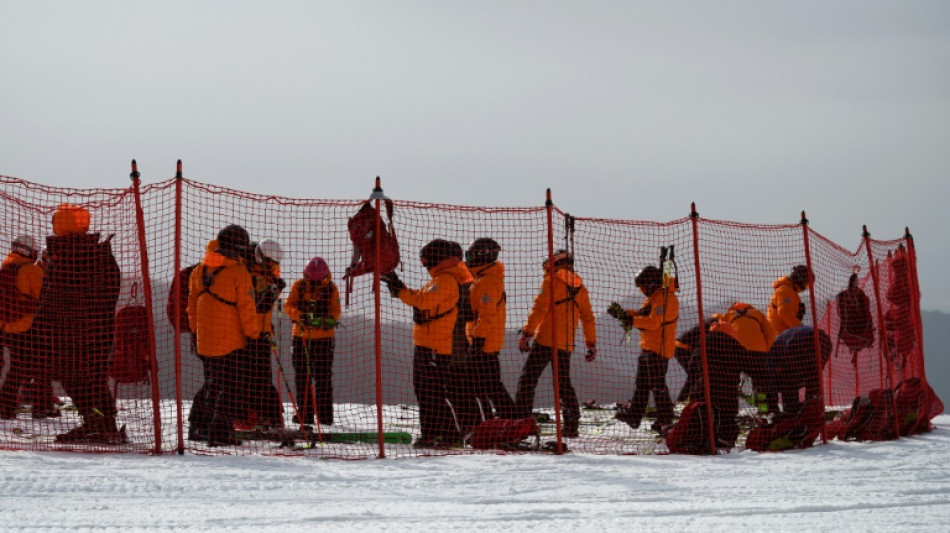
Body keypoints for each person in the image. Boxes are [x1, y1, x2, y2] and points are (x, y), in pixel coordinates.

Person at [33, 204, 123, 443]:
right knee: (94, 377)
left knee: (73, 377)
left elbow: (51, 297)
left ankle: (95, 423)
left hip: (68, 332)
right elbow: (111, 288)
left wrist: (42, 323)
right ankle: (105, 423)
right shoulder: (99, 253)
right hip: (99, 330)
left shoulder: (64, 258)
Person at [381, 239, 474, 448]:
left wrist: (399, 287)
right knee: (424, 392)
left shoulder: (446, 280)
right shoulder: (440, 279)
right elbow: (423, 300)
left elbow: (423, 301)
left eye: (426, 261)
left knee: (433, 393)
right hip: (427, 343)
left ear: (438, 259)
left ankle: (450, 436)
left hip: (435, 346)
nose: (424, 265)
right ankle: (431, 433)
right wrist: (399, 288)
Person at [187, 224, 262, 446]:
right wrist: (254, 334)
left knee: (213, 385)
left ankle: (205, 427)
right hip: (230, 341)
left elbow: (191, 306)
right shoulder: (239, 272)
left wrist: (195, 333)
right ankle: (219, 433)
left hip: (204, 341)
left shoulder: (199, 270)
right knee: (230, 387)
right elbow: (247, 309)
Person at [514, 250, 596, 438]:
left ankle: (521, 421)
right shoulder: (581, 288)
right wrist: (591, 343)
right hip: (566, 344)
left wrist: (527, 333)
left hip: (545, 340)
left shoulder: (551, 282)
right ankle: (571, 425)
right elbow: (588, 318)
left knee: (527, 380)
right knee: (563, 384)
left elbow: (539, 309)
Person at [611, 265, 679, 435]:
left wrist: (630, 320)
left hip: (659, 348)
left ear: (650, 283)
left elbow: (652, 322)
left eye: (642, 286)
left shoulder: (665, 299)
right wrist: (623, 313)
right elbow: (643, 314)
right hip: (648, 346)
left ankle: (666, 420)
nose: (641, 290)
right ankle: (635, 416)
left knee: (658, 386)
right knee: (641, 385)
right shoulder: (655, 298)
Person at [284, 256, 341, 428]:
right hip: (301, 338)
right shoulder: (298, 286)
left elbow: (335, 311)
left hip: (323, 340)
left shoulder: (331, 289)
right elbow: (288, 306)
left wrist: (325, 320)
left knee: (323, 378)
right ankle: (305, 414)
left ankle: (325, 416)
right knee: (302, 377)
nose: (315, 284)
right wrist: (300, 316)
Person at [0, 235, 52, 419]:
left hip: (7, 327)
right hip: (27, 327)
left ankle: (9, 406)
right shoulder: (30, 270)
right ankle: (36, 406)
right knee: (35, 367)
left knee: (18, 367)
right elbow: (44, 298)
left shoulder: (6, 267)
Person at [463, 238, 514, 420]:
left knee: (487, 386)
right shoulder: (481, 279)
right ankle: (502, 421)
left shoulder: (489, 281)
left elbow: (487, 315)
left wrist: (478, 341)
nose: (467, 260)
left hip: (484, 344)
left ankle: (507, 421)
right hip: (481, 341)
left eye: (469, 255)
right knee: (488, 386)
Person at [238, 238, 286, 430]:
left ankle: (268, 417)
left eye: (274, 264)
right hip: (248, 333)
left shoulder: (265, 272)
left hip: (262, 332)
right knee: (252, 377)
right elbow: (256, 305)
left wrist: (275, 289)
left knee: (262, 376)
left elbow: (266, 304)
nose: (272, 267)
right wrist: (272, 292)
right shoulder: (247, 273)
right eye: (269, 263)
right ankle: (253, 417)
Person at [767, 264, 813, 335]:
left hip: (784, 334)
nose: (805, 288)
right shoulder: (785, 291)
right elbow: (784, 312)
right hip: (779, 336)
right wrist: (799, 328)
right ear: (800, 280)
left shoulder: (790, 292)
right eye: (806, 285)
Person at [836, 273, 874, 356]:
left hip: (848, 330)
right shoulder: (860, 294)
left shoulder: (842, 295)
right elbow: (867, 312)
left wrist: (841, 331)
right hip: (860, 330)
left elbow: (841, 316)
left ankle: (855, 351)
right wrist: (870, 329)